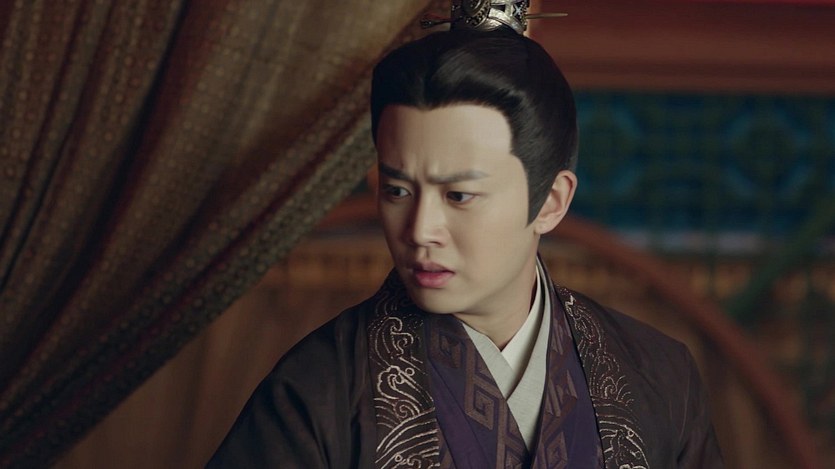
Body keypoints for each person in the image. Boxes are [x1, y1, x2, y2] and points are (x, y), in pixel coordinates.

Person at [208, 2, 723, 467]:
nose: (420, 230)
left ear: (551, 201)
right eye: (398, 191)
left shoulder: (658, 374)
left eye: (458, 195)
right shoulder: (318, 389)